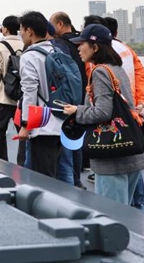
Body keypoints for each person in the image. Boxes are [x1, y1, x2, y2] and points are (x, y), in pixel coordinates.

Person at [62, 24, 144, 205]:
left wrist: (77, 111)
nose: (78, 48)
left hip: (112, 157)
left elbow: (102, 112)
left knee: (111, 215)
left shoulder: (100, 71)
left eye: (82, 44)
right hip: (130, 150)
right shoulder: (116, 67)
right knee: (126, 212)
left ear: (95, 47)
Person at [17, 11, 64, 177]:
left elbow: (29, 92)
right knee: (57, 173)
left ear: (29, 31)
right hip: (61, 121)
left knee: (41, 178)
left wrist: (25, 125)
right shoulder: (57, 52)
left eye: (21, 30)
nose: (20, 34)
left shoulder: (29, 56)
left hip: (42, 126)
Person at [49, 12, 87, 189]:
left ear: (61, 24)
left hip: (67, 97)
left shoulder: (59, 44)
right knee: (77, 138)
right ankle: (77, 179)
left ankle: (69, 184)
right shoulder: (82, 42)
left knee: (65, 140)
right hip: (84, 95)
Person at [0, 16, 26, 164]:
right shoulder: (25, 45)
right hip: (22, 97)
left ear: (5, 28)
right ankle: (22, 163)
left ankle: (1, 161)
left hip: (4, 95)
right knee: (22, 133)